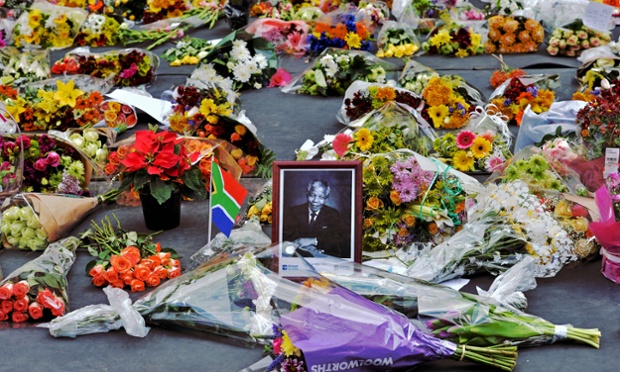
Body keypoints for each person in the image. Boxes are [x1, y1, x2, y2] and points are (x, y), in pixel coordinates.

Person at [282, 178, 350, 258]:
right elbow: (286, 237)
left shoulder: (333, 214)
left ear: (326, 199)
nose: (315, 201)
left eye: (321, 197)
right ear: (307, 194)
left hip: (323, 257)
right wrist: (305, 248)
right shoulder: (292, 212)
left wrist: (314, 241)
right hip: (297, 257)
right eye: (312, 195)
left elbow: (337, 239)